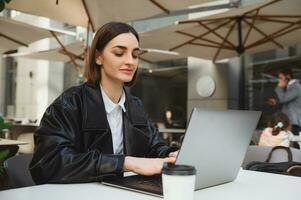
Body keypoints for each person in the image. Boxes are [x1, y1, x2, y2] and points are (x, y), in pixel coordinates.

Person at [29, 22, 178, 184]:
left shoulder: (136, 106)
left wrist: (170, 154)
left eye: (135, 55)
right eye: (119, 53)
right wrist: (125, 163)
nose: (131, 61)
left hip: (126, 191)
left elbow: (154, 148)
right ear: (98, 57)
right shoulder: (70, 103)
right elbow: (47, 164)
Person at [267, 69, 301, 135]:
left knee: (293, 142)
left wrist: (279, 87)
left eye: (280, 78)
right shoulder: (289, 87)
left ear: (287, 77)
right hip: (288, 120)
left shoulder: (296, 87)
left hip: (294, 121)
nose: (279, 80)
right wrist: (276, 102)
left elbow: (283, 99)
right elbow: (288, 102)